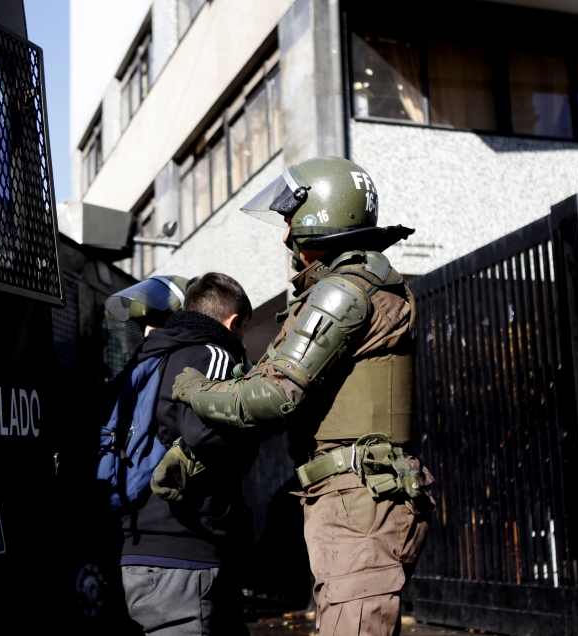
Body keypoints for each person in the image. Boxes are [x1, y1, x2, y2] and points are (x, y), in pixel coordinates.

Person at [169, 157, 435, 636]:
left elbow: (272, 397)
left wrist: (194, 389)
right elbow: (276, 406)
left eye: (290, 220)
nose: (285, 237)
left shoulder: (344, 292)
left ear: (320, 215)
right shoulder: (357, 285)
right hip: (358, 499)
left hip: (359, 502)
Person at [120, 272, 257, 636]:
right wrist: (258, 430)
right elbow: (205, 432)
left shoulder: (142, 362)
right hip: (187, 551)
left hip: (138, 550)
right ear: (233, 322)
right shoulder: (213, 352)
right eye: (243, 329)